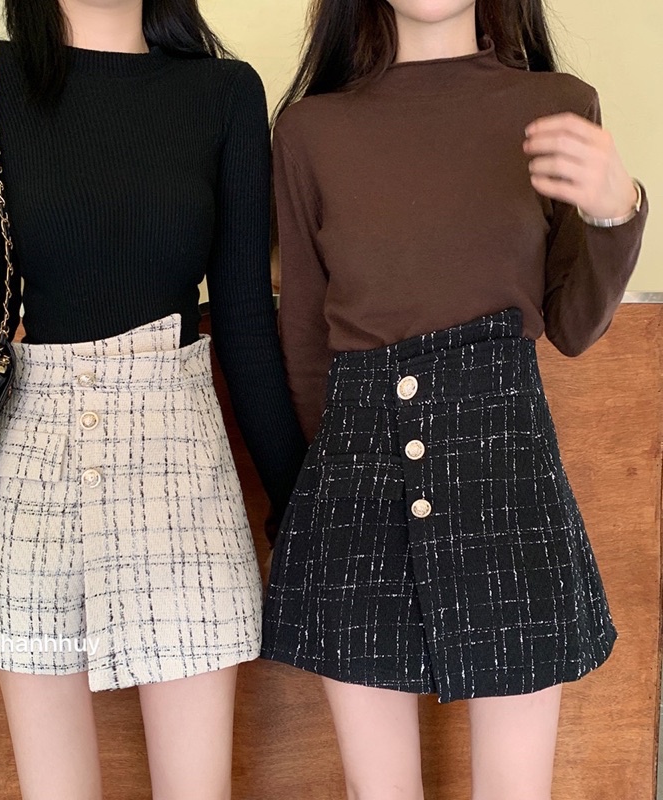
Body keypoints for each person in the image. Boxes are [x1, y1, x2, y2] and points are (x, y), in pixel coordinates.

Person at [0, 1, 306, 798]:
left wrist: (298, 506)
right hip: (34, 459)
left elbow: (244, 320)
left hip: (178, 463)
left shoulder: (224, 92)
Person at [261, 1, 648, 798]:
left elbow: (574, 326)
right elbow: (303, 342)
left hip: (506, 472)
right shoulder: (309, 132)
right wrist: (318, 501)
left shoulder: (557, 105)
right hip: (354, 481)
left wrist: (617, 209)